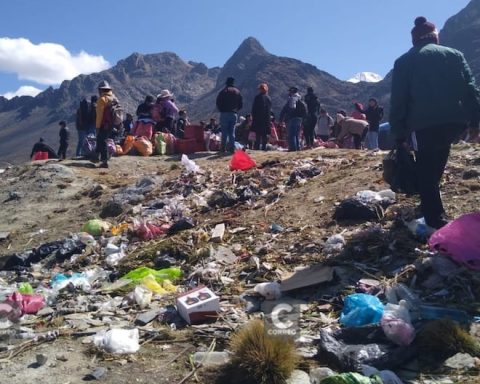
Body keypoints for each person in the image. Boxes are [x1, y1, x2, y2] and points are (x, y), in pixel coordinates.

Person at [390, 16, 480, 230]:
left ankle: (434, 219)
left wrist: (399, 134)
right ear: (435, 36)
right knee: (437, 160)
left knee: (426, 168)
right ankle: (429, 206)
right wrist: (475, 121)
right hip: (453, 122)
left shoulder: (404, 62)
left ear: (414, 40)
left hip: (422, 126)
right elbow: (470, 90)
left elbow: (399, 101)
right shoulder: (454, 55)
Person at [216, 77, 243, 152]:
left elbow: (218, 103)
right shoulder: (237, 92)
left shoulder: (223, 91)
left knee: (224, 132)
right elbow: (241, 104)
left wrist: (222, 110)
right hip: (233, 114)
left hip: (224, 113)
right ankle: (232, 148)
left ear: (226, 83)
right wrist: (236, 110)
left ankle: (223, 149)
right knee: (232, 132)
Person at [95, 80, 119, 168]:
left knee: (102, 141)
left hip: (104, 124)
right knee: (104, 140)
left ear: (101, 90)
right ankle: (102, 158)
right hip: (112, 124)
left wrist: (97, 127)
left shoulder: (102, 99)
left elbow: (99, 115)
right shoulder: (114, 98)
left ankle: (104, 161)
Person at [280, 87, 305, 151]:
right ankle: (297, 147)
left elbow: (289, 108)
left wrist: (283, 118)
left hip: (293, 118)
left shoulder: (292, 98)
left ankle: (293, 148)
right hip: (300, 118)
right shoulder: (300, 98)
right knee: (296, 134)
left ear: (291, 91)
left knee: (292, 134)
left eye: (289, 91)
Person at [251, 83, 272, 150]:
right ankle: (264, 147)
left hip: (258, 119)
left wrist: (253, 117)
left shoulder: (257, 97)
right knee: (264, 134)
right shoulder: (268, 98)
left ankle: (257, 147)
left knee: (258, 134)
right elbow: (269, 110)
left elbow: (254, 109)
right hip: (266, 119)